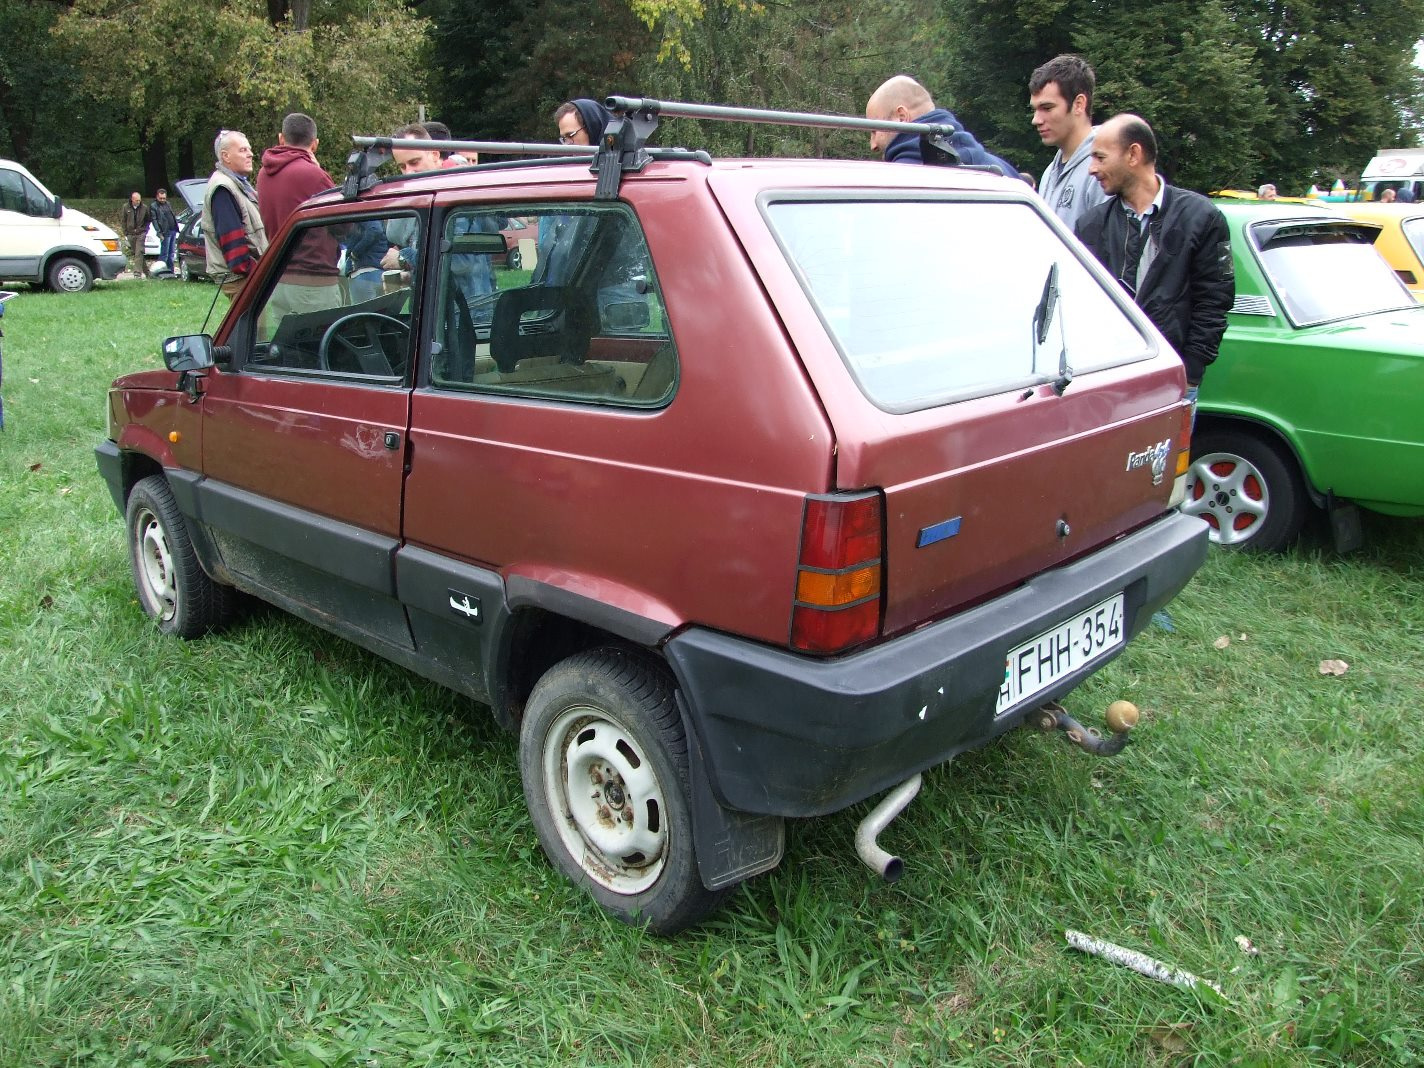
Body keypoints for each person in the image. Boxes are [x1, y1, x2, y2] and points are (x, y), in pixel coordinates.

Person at [1075, 114, 1234, 411]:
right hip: (1107, 388)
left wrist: (1191, 374)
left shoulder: (1201, 218)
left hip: (1172, 385)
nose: (1092, 168)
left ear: (1133, 154)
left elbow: (1215, 301)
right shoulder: (1090, 225)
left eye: (1100, 157)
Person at [257, 112, 340, 318]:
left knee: (287, 346)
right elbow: (343, 226)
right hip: (313, 278)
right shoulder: (314, 175)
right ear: (315, 144)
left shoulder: (263, 174)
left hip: (278, 275)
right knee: (321, 344)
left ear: (281, 138)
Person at [864, 75, 1018, 177]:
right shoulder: (1006, 174)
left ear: (902, 117)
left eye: (874, 131)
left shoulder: (893, 182)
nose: (873, 145)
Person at [1029, 54, 1107, 227]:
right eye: (1035, 109)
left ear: (1079, 104)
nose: (1036, 119)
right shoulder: (1050, 172)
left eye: (1047, 108)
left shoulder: (1103, 170)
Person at [203, 129, 268, 301]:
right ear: (226, 156)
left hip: (247, 277)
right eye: (242, 150)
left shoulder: (238, 185)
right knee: (255, 327)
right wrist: (252, 270)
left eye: (249, 149)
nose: (250, 154)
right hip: (241, 279)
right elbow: (231, 241)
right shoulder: (223, 188)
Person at [119, 191, 151, 278]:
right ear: (132, 200)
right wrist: (125, 232)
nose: (138, 202)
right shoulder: (126, 207)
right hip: (130, 234)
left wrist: (145, 230)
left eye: (139, 200)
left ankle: (137, 273)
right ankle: (147, 273)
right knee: (137, 254)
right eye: (136, 200)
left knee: (139, 252)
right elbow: (123, 220)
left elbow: (148, 220)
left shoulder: (144, 208)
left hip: (141, 233)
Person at [149, 188, 179, 273]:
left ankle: (171, 271)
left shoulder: (168, 204)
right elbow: (154, 221)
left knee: (171, 253)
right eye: (160, 198)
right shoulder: (154, 206)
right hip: (164, 232)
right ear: (157, 197)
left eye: (164, 198)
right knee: (164, 253)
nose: (162, 200)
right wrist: (159, 233)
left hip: (172, 230)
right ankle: (161, 271)